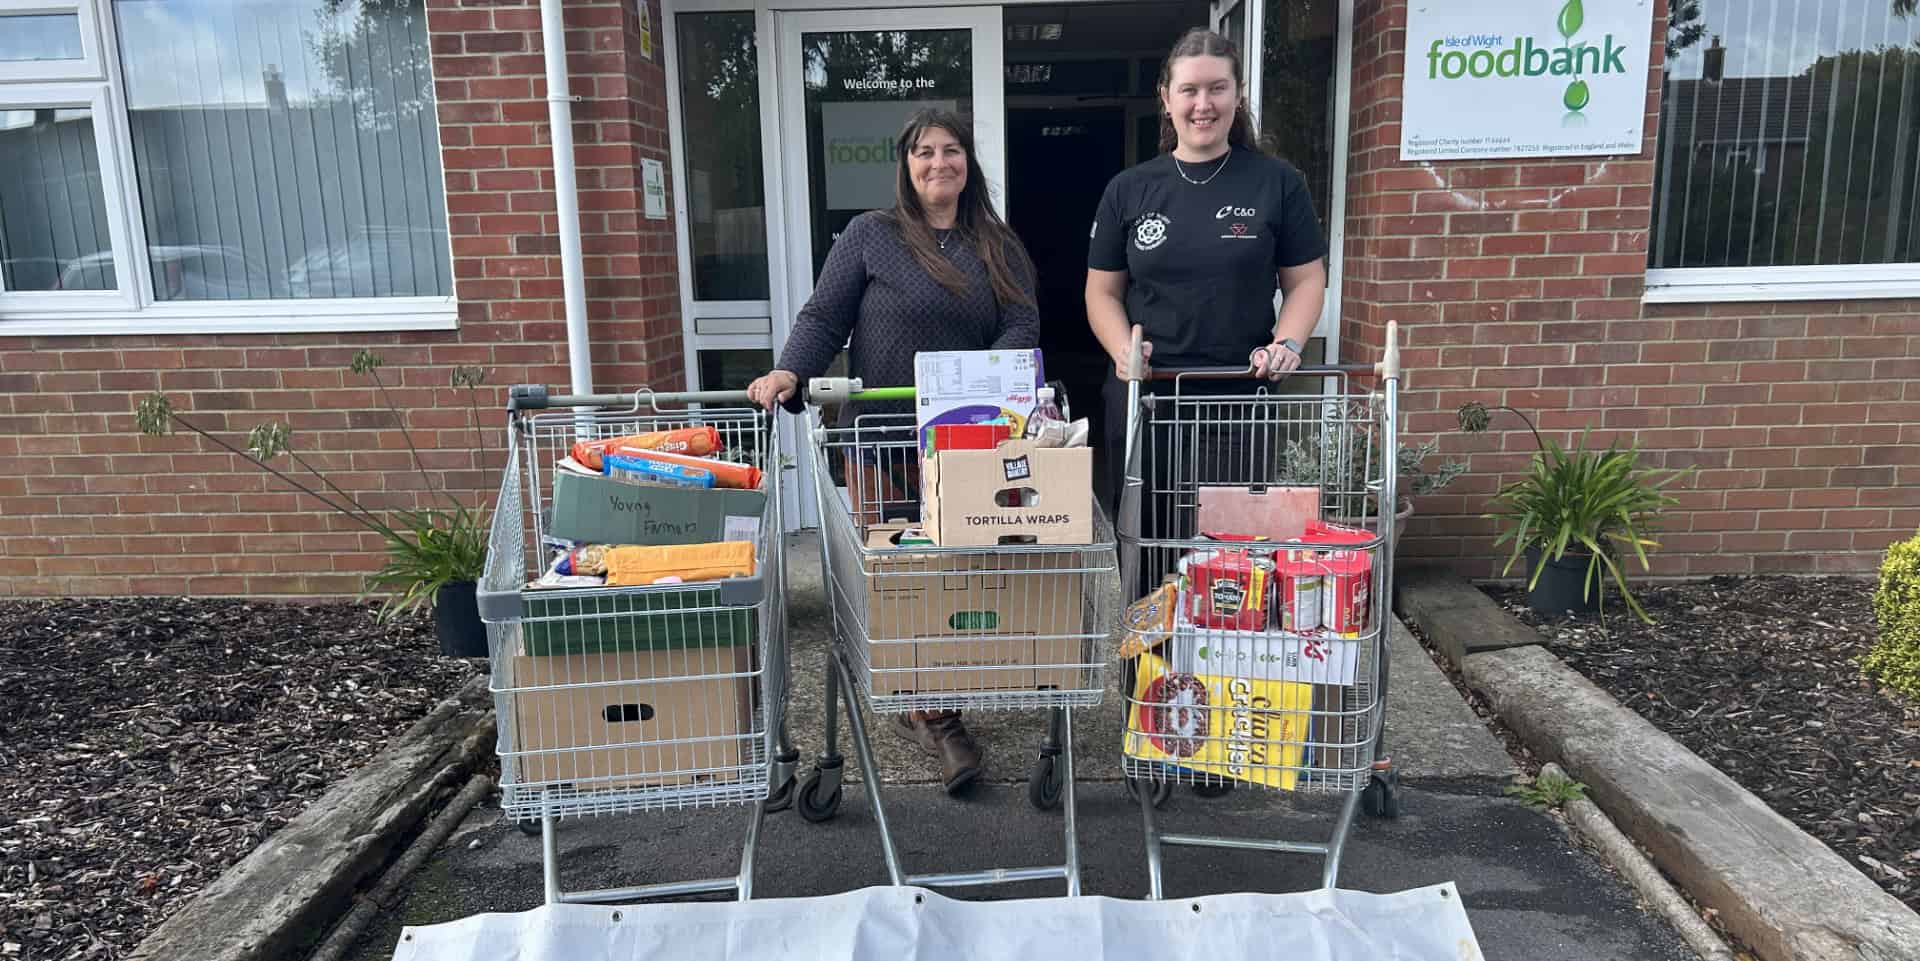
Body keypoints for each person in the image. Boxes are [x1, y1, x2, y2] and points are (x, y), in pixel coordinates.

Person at [748, 108, 1039, 796]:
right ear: (906, 166)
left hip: (962, 444)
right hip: (878, 438)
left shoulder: (997, 244)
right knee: (897, 574)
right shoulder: (870, 237)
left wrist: (981, 380)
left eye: (952, 150)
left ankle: (936, 701)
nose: (939, 162)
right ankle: (933, 713)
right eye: (924, 152)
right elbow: (824, 315)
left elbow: (1022, 323)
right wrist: (790, 370)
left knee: (955, 575)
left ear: (969, 161)